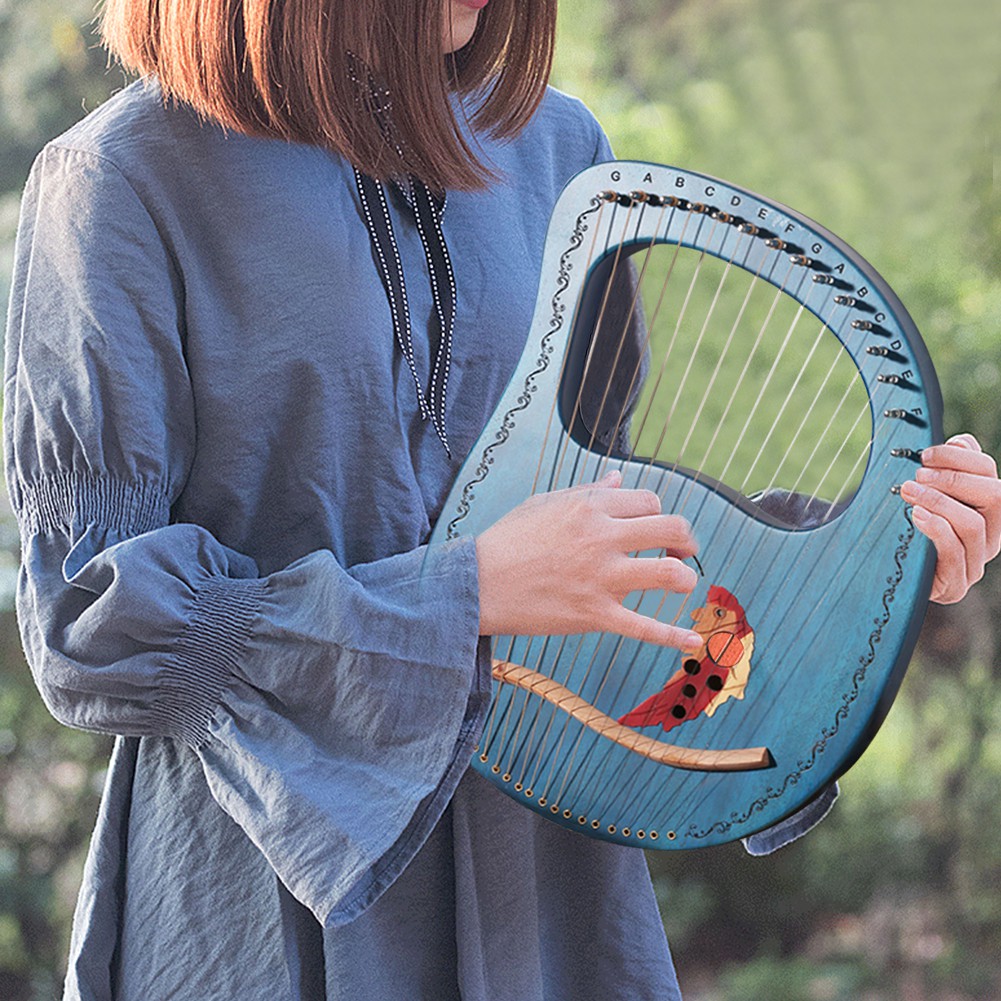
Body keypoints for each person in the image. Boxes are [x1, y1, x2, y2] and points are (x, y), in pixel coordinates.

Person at [3, 1, 999, 999]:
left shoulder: (556, 149)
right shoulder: (121, 178)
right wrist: (464, 593)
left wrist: (859, 562)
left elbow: (594, 542)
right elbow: (91, 622)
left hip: (550, 888)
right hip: (270, 892)